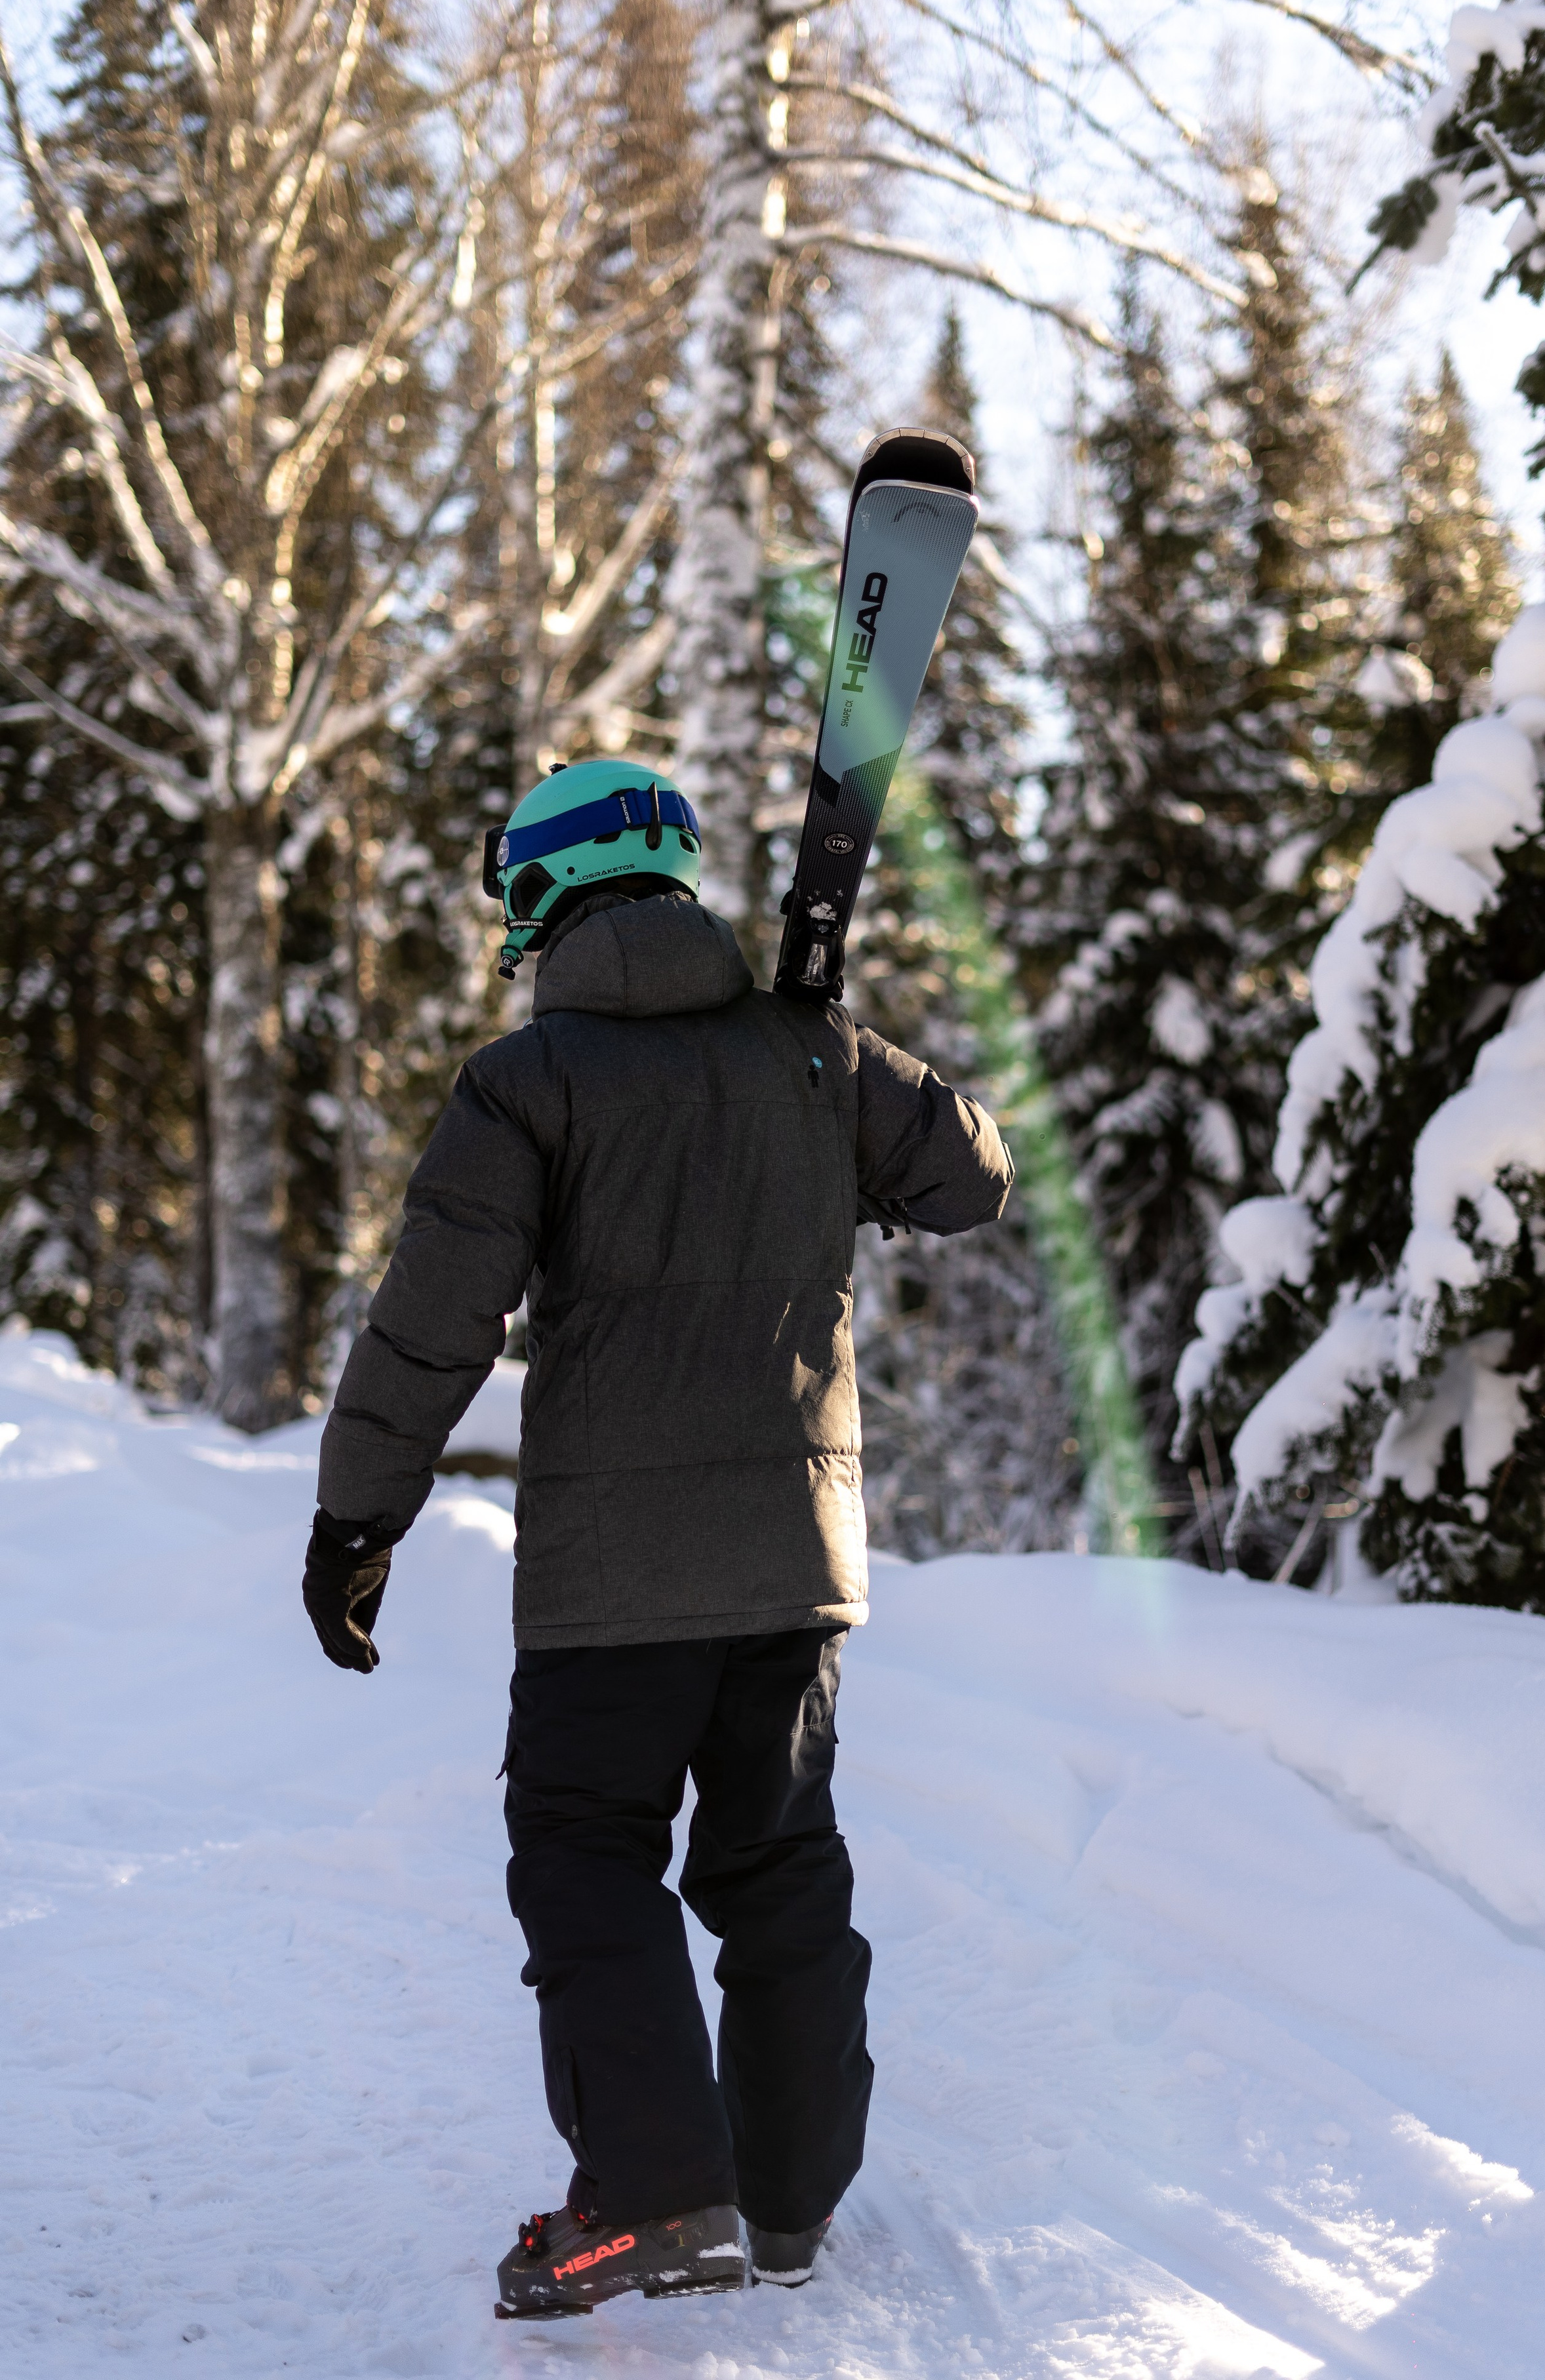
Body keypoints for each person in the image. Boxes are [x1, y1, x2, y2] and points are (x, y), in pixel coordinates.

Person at [302, 757, 1013, 2320]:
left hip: (608, 1589)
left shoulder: (526, 1083)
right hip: (792, 1565)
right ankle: (783, 2211)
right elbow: (972, 1177)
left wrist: (359, 1515)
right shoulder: (808, 1047)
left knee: (585, 1856)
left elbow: (431, 1324)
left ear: (538, 897)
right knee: (776, 1866)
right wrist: (832, 1040)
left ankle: (652, 2197)